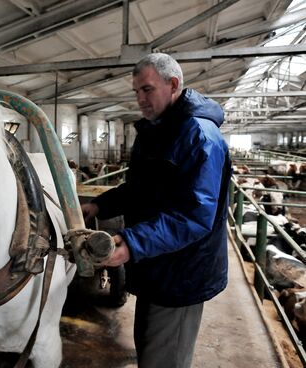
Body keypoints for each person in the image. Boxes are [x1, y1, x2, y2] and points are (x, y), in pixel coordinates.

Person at [81, 53, 232, 368]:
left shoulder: (199, 136)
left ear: (173, 84)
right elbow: (140, 189)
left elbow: (194, 215)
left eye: (146, 89)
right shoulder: (156, 131)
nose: (139, 98)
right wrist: (99, 204)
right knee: (149, 350)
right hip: (157, 265)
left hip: (181, 272)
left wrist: (134, 243)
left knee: (164, 359)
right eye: (136, 91)